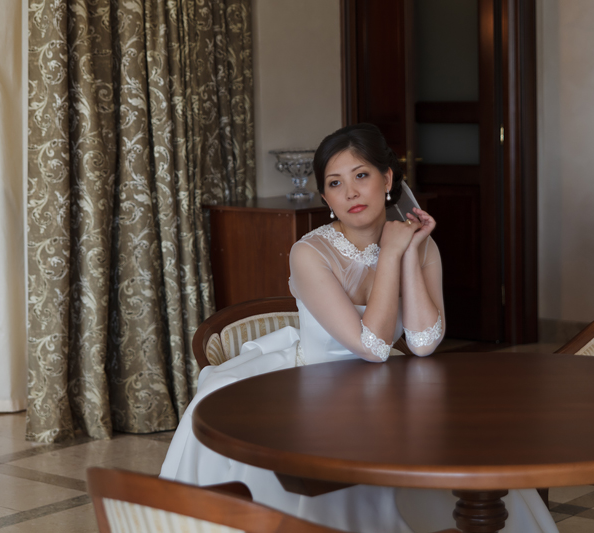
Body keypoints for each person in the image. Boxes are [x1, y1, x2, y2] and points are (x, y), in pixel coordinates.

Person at [160, 123, 557, 533]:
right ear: (325, 197)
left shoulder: (419, 245)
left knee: (469, 454)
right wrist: (391, 255)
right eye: (335, 183)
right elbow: (373, 346)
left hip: (386, 388)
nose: (350, 192)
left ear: (387, 179)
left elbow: (423, 343)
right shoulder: (309, 253)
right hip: (312, 387)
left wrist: (409, 254)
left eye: (361, 175)